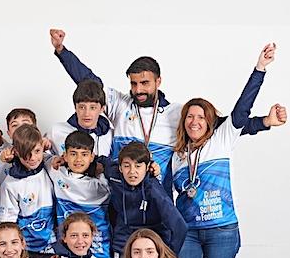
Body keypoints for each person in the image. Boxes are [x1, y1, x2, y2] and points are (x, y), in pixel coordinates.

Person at [173, 43, 287, 258]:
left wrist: (260, 68)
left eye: (201, 117)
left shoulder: (222, 139)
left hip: (222, 231)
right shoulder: (177, 156)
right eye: (190, 116)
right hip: (190, 233)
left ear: (210, 121)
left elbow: (242, 109)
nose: (195, 121)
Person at [49, 28, 272, 191]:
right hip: (119, 196)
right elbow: (89, 82)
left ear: (158, 81)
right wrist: (61, 50)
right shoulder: (120, 104)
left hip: (158, 200)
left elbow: (224, 125)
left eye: (145, 83)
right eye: (134, 84)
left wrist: (264, 122)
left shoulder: (177, 113)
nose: (138, 90)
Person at [101, 141, 187, 258]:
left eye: (138, 166)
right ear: (120, 168)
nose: (132, 171)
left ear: (147, 168)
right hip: (123, 243)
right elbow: (102, 161)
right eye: (127, 166)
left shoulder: (153, 189)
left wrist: (170, 256)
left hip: (150, 245)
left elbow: (180, 226)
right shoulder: (114, 175)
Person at [47, 131, 111, 258]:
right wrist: (50, 155)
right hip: (67, 249)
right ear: (65, 155)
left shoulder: (103, 183)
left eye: (84, 154)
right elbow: (39, 158)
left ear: (92, 157)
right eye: (73, 154)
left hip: (99, 249)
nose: (78, 159)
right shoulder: (57, 173)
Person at [0, 124, 55, 258]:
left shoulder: (50, 166)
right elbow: (8, 224)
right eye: (26, 153)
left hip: (54, 247)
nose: (33, 158)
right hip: (27, 251)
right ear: (16, 152)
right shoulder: (10, 184)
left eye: (37, 151)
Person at [48, 79, 112, 157]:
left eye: (92, 108)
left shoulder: (110, 135)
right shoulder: (57, 131)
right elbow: (40, 155)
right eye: (82, 107)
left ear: (102, 109)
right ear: (75, 107)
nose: (87, 113)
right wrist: (52, 159)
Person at [0, 107, 37, 188]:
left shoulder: (43, 152)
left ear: (35, 129)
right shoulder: (2, 156)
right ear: (9, 133)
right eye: (14, 125)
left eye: (25, 124)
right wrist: (6, 159)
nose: (20, 128)